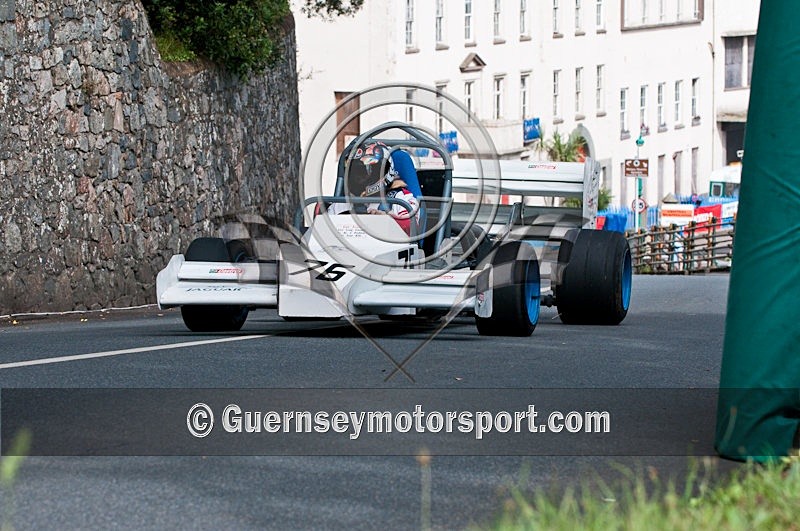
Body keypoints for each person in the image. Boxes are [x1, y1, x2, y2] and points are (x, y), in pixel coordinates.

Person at [343, 142, 420, 235]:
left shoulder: (401, 199)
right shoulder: (343, 201)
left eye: (366, 172)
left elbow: (411, 226)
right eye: (356, 172)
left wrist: (386, 220)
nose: (360, 178)